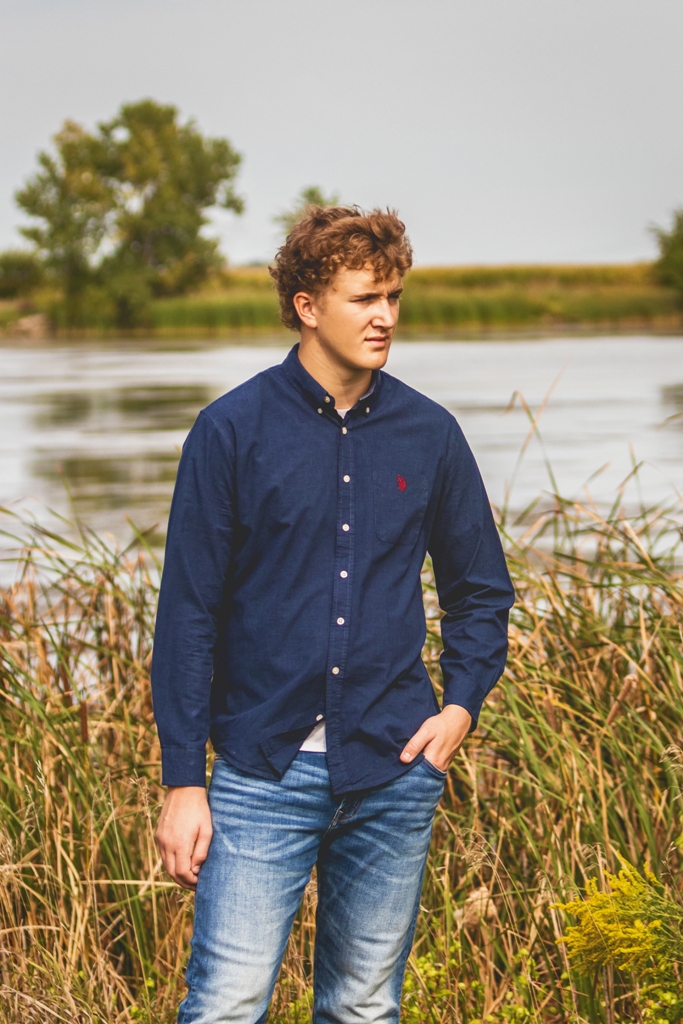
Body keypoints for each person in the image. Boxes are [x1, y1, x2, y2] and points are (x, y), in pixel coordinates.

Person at [152, 206, 514, 1024]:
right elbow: (188, 617)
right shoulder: (230, 431)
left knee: (363, 1009)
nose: (385, 316)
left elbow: (479, 591)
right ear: (307, 306)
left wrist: (459, 707)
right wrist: (183, 781)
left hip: (393, 767)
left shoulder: (430, 434)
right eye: (364, 298)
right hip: (260, 773)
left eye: (393, 297)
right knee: (226, 1005)